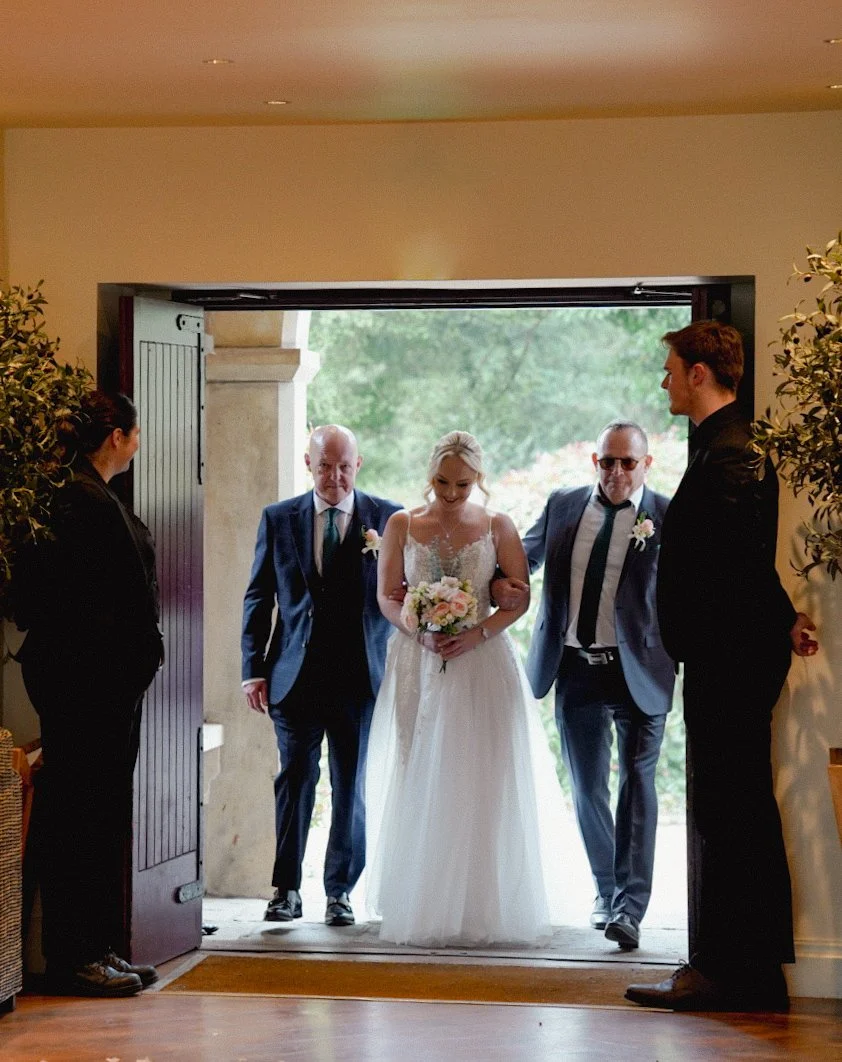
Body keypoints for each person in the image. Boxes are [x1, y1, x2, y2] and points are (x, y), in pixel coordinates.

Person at [625, 320, 819, 1012]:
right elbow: (747, 560)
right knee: (731, 810)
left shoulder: (732, 451)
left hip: (729, 659)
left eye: (672, 370)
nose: (666, 381)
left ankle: (737, 972)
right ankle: (746, 972)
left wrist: (772, 618)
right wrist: (782, 614)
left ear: (701, 373)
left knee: (729, 813)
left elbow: (736, 562)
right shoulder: (722, 446)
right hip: (726, 652)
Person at [365, 431, 565, 946]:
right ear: (428, 474)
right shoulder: (402, 524)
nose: (451, 494)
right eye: (442, 482)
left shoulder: (498, 526)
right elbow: (388, 597)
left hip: (482, 662)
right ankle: (424, 903)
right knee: (420, 771)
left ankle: (480, 906)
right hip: (418, 662)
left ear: (479, 480)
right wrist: (419, 629)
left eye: (462, 484)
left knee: (480, 777)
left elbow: (518, 599)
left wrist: (474, 632)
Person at [501, 421, 674, 952]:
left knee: (637, 787)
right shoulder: (564, 504)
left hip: (639, 671)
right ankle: (606, 888)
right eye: (608, 461)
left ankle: (630, 908)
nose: (617, 472)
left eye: (628, 462)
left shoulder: (667, 516)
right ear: (594, 463)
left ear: (647, 465)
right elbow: (520, 559)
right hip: (575, 667)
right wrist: (478, 584)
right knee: (587, 787)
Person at [16, 391, 163, 997]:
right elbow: (67, 601)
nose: (137, 443)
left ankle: (97, 947)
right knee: (77, 815)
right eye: (134, 433)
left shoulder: (95, 496)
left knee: (97, 814)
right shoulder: (75, 501)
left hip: (101, 684)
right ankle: (74, 956)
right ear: (116, 439)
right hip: (83, 683)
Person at [241, 425, 401, 927]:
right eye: (325, 465)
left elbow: (405, 592)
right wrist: (252, 670)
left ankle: (340, 893)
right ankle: (286, 888)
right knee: (295, 780)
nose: (335, 476)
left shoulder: (389, 518)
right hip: (294, 675)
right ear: (308, 464)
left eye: (344, 466)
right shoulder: (279, 517)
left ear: (358, 465)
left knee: (351, 785)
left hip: (361, 677)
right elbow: (258, 596)